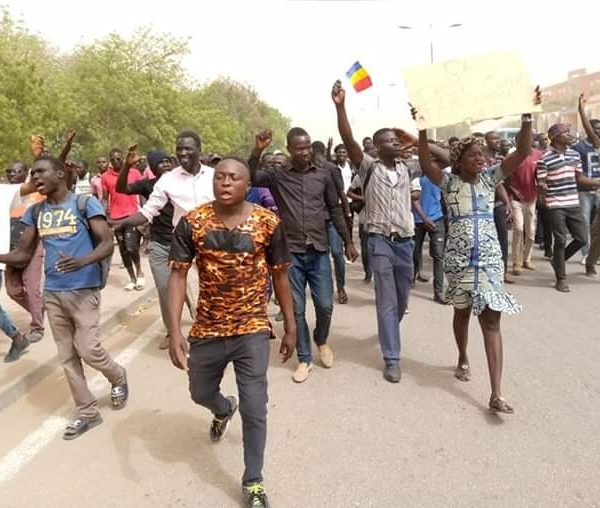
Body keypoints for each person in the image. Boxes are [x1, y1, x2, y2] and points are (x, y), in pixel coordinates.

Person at [168, 157, 296, 508]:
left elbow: (281, 275)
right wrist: (174, 330)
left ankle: (253, 479)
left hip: (251, 327)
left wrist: (291, 326)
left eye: (234, 178)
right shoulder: (193, 222)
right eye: (220, 176)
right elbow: (178, 276)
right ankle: (223, 409)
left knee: (256, 407)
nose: (225, 182)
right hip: (207, 328)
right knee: (199, 392)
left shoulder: (268, 223)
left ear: (247, 184)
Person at [414, 94, 539, 413]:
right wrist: (423, 129)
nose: (481, 158)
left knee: (492, 322)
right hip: (458, 261)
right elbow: (427, 161)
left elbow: (523, 150)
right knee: (462, 313)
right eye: (474, 155)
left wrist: (527, 116)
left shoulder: (491, 178)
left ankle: (496, 394)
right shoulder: (448, 182)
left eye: (483, 154)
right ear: (459, 160)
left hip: (489, 262)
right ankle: (462, 355)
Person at [0, 156, 128, 438]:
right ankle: (87, 412)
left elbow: (107, 243)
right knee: (67, 355)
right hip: (54, 293)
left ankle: (117, 376)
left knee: (88, 349)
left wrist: (83, 261)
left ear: (60, 174)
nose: (36, 179)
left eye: (41, 172)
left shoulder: (84, 203)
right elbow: (22, 254)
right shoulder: (34, 211)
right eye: (33, 175)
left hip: (84, 289)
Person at [248, 128, 358, 383]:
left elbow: (334, 207)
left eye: (308, 146)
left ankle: (321, 339)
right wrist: (257, 150)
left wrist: (348, 241)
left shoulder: (323, 174)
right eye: (300, 148)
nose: (306, 151)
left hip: (318, 250)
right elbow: (251, 176)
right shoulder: (277, 176)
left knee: (325, 305)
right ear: (289, 150)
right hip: (291, 253)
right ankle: (305, 357)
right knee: (296, 309)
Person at [332, 80, 420, 383]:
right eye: (390, 141)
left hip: (406, 243)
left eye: (398, 141)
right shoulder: (369, 167)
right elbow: (349, 139)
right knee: (387, 300)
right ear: (378, 146)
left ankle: (389, 330)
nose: (396, 144)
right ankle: (392, 357)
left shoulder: (410, 168)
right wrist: (340, 106)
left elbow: (444, 154)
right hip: (380, 241)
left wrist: (419, 128)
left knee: (403, 299)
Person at [113, 147, 195, 349]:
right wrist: (126, 165)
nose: (166, 165)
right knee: (165, 290)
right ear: (152, 167)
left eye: (168, 161)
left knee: (193, 290)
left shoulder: (187, 183)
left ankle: (202, 324)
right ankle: (172, 331)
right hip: (160, 246)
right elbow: (122, 188)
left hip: (187, 245)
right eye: (161, 162)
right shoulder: (148, 186)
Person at [537, 123, 600, 291]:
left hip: (573, 202)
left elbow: (579, 179)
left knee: (582, 239)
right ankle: (561, 279)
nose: (569, 134)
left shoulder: (574, 155)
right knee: (560, 239)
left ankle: (558, 261)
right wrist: (542, 187)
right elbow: (541, 181)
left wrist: (597, 182)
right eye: (565, 132)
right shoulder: (545, 158)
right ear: (555, 137)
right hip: (555, 204)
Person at [115, 131, 215, 232]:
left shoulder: (214, 176)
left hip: (214, 239)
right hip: (184, 242)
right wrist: (121, 223)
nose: (183, 153)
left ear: (199, 150)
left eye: (188, 149)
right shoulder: (168, 180)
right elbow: (148, 212)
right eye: (179, 149)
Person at [4, 161, 46, 343]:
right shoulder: (4, 194)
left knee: (31, 287)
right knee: (13, 291)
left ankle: (37, 326)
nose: (12, 174)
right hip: (9, 249)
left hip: (33, 247)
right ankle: (39, 309)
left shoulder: (36, 195)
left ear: (25, 174)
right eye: (9, 172)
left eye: (17, 171)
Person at [0, 174, 39, 362]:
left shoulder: (3, 191)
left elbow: (35, 185)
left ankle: (17, 337)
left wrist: (44, 158)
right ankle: (17, 337)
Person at [313, 140, 352, 305]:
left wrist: (347, 212)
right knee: (320, 255)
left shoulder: (332, 169)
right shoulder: (306, 170)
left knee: (337, 253)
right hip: (315, 220)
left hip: (332, 218)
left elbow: (341, 193)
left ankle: (341, 287)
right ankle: (325, 289)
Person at [101, 148, 145, 291]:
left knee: (132, 246)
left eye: (119, 158)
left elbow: (143, 191)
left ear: (123, 159)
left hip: (132, 214)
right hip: (115, 217)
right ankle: (131, 278)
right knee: (123, 249)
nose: (116, 161)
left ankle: (140, 272)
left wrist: (146, 211)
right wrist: (104, 216)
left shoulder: (134, 173)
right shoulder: (106, 177)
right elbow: (105, 198)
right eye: (113, 159)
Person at [508, 133, 543, 275]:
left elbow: (541, 175)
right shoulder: (512, 157)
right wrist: (512, 192)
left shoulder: (539, 155)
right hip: (516, 199)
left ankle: (527, 259)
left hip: (531, 198)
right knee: (518, 228)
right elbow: (505, 179)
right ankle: (516, 261)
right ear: (516, 142)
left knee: (531, 231)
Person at [483, 131, 515, 284]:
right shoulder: (481, 158)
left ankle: (503, 271)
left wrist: (508, 204)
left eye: (498, 138)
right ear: (486, 141)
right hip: (483, 206)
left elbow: (500, 184)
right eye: (493, 139)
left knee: (502, 238)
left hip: (498, 204)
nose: (497, 141)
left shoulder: (501, 159)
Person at [573, 93, 600, 265]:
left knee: (596, 229)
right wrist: (581, 109)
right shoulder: (591, 145)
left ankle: (593, 257)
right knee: (587, 224)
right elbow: (590, 132)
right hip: (586, 191)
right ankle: (588, 255)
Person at [412, 173, 446, 303]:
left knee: (438, 255)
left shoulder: (441, 178)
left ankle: (438, 292)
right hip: (418, 219)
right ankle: (412, 277)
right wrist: (424, 218)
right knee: (415, 252)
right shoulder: (417, 179)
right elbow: (414, 200)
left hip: (437, 218)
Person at [347, 174, 371, 282]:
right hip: (364, 218)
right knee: (365, 248)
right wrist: (362, 198)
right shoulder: (359, 177)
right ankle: (368, 272)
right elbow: (349, 192)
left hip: (382, 219)